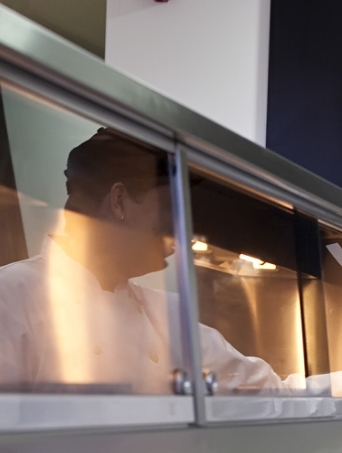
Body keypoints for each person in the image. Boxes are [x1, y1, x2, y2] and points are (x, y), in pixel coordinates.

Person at [0, 128, 290, 395]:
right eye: (170, 208)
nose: (181, 230)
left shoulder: (168, 314)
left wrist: (336, 384)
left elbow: (267, 391)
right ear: (119, 202)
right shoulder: (11, 297)